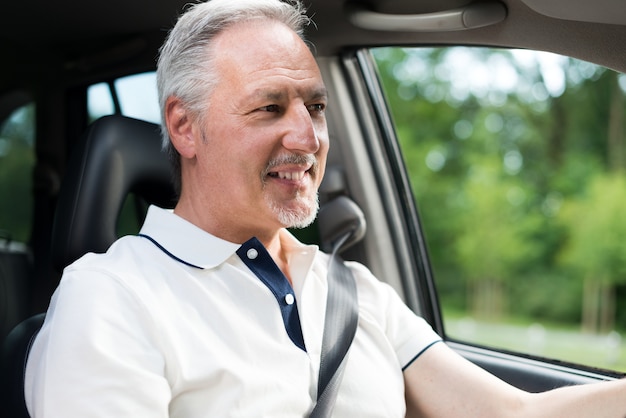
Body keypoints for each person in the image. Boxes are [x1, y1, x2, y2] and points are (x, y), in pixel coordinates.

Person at [23, 0, 626, 417]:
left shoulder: (356, 290)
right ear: (185, 127)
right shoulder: (110, 297)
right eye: (268, 108)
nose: (309, 140)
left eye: (314, 108)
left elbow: (510, 411)